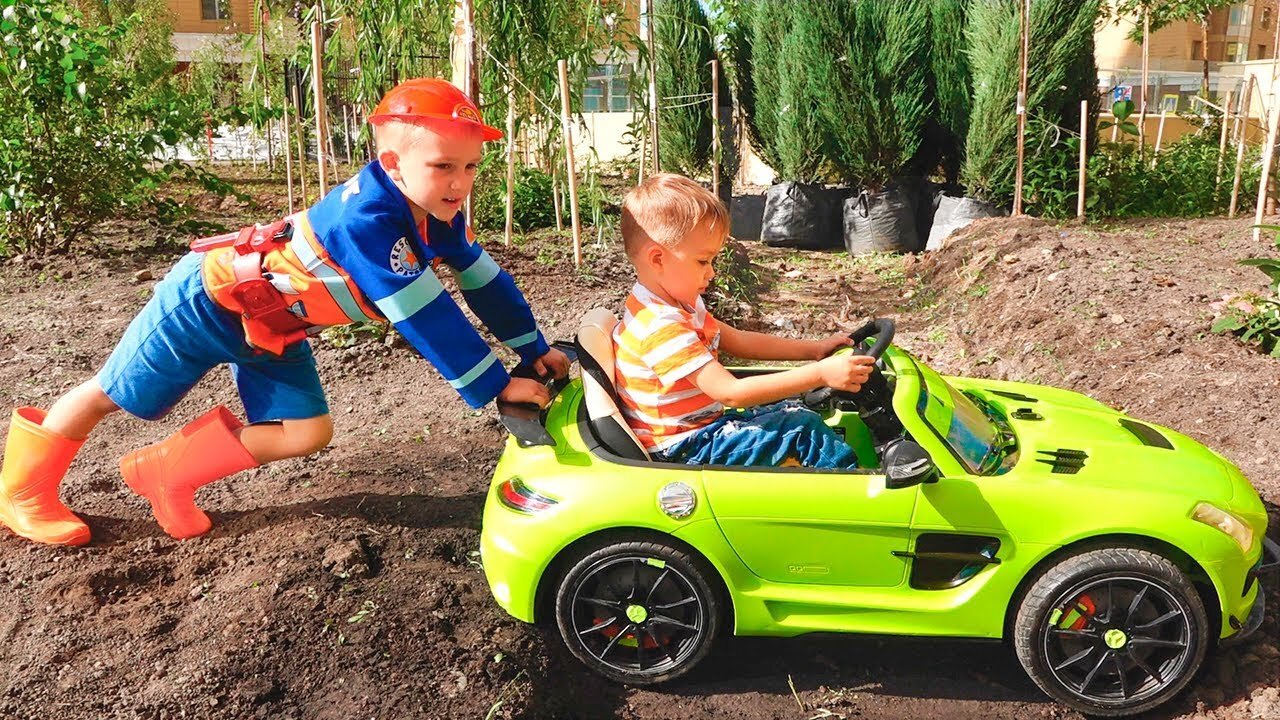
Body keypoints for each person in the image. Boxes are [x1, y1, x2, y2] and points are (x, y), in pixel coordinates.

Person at [0, 78, 568, 546]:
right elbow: (425, 313)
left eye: (470, 168)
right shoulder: (366, 222)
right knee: (111, 393)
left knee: (306, 432)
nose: (460, 184)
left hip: (274, 327)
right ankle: (22, 494)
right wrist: (498, 385)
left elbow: (483, 280)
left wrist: (533, 348)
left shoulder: (435, 213)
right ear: (392, 162)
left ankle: (166, 474)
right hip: (207, 302)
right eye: (445, 166)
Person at [612, 173, 874, 468]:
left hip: (703, 429)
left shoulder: (678, 305)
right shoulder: (659, 327)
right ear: (657, 259)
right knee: (801, 430)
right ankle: (860, 493)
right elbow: (731, 393)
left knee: (792, 409)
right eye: (703, 261)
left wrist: (812, 350)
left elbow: (738, 340)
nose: (710, 273)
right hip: (686, 448)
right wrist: (821, 374)